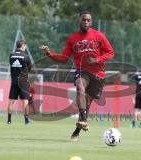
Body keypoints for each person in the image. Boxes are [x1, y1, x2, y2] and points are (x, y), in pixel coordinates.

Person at [39, 11, 114, 141]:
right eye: (84, 19)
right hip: (82, 71)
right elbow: (64, 59)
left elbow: (110, 53)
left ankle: (78, 129)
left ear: (91, 22)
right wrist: (49, 53)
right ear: (79, 20)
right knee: (80, 86)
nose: (86, 22)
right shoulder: (72, 39)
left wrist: (97, 60)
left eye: (88, 20)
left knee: (87, 103)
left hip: (98, 74)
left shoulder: (99, 36)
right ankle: (84, 120)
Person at [7, 39, 31, 125]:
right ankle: (26, 120)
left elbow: (11, 65)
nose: (25, 47)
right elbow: (29, 69)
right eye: (25, 46)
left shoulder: (11, 55)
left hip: (13, 81)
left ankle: (9, 120)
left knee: (11, 101)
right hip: (23, 82)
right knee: (25, 101)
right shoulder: (26, 57)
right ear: (23, 46)